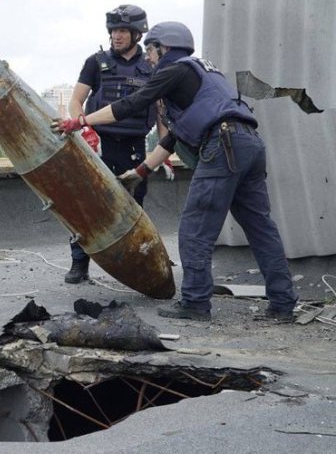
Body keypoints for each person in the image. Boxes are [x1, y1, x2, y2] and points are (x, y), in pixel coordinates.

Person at [54, 21, 298, 322]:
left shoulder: (175, 70)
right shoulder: (203, 75)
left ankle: (195, 302)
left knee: (195, 229)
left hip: (223, 145)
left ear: (163, 47)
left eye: (151, 50)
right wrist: (141, 171)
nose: (148, 58)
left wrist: (81, 121)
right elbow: (175, 136)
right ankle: (283, 303)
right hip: (248, 144)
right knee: (261, 228)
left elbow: (132, 103)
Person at [61, 4, 167, 284]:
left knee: (132, 208)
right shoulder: (96, 62)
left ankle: (134, 266)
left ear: (136, 34)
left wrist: (164, 149)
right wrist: (83, 129)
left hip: (134, 146)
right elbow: (76, 101)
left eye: (123, 31)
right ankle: (79, 263)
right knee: (85, 205)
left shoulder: (152, 65)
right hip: (99, 144)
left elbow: (160, 109)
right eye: (114, 31)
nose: (117, 36)